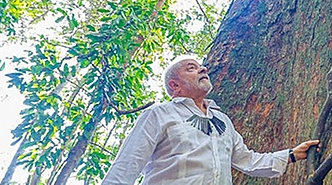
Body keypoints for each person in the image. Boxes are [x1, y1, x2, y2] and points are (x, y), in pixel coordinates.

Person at [102, 55, 320, 184]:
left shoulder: (222, 120)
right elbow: (127, 165)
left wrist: (291, 155)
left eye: (200, 66)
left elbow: (248, 160)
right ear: (174, 86)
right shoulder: (159, 114)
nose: (202, 69)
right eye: (191, 68)